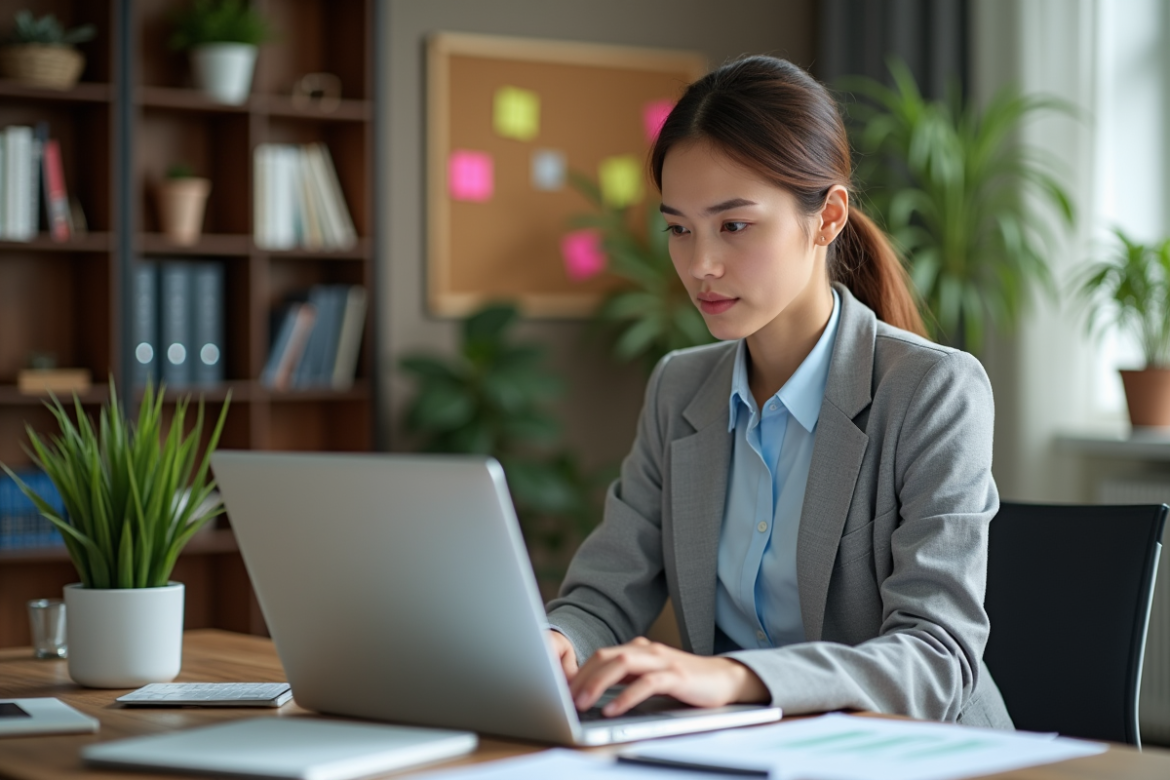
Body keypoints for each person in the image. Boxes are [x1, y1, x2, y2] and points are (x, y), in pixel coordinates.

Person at [544, 56, 1012, 729]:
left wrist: (738, 678)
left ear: (827, 218)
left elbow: (938, 656)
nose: (700, 264)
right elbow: (603, 594)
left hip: (921, 756)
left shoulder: (933, 392)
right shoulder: (679, 388)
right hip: (748, 753)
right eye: (679, 228)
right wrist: (555, 643)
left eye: (734, 225)